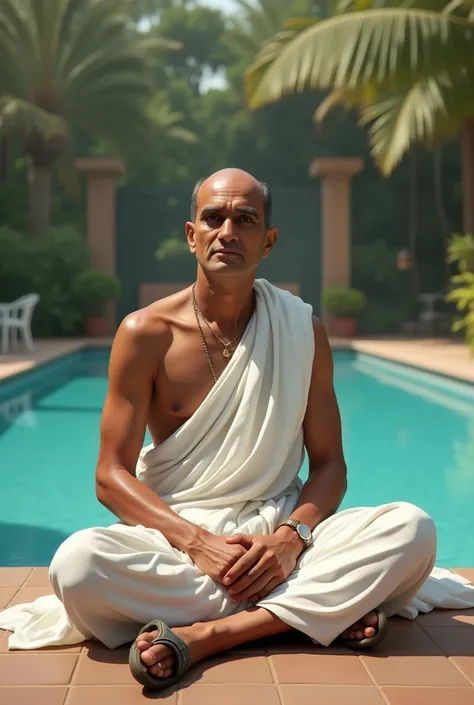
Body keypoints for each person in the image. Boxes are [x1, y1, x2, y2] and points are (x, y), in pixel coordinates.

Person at [0, 168, 473, 690]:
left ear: (267, 241)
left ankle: (212, 636)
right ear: (191, 234)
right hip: (178, 539)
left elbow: (331, 465)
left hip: (280, 533)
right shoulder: (144, 333)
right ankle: (309, 612)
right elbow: (110, 476)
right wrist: (200, 543)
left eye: (245, 220)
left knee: (412, 529)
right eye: (214, 218)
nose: (228, 231)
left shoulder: (300, 329)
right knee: (76, 567)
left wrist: (291, 539)